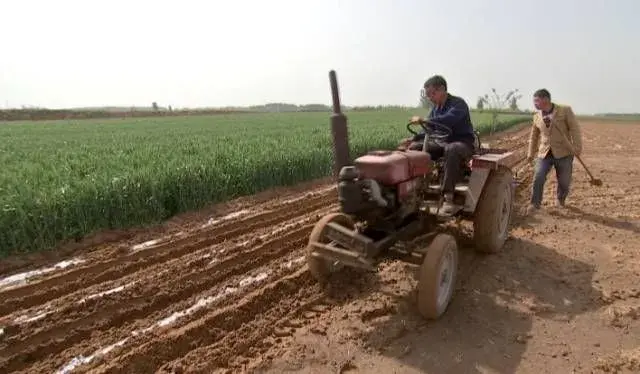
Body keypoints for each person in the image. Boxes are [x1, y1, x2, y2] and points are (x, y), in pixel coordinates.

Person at [407, 75, 476, 215]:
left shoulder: (458, 104)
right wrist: (413, 138)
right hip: (442, 142)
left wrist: (425, 120)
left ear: (442, 89)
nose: (429, 98)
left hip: (462, 143)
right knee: (414, 147)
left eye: (432, 94)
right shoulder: (436, 108)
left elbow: (447, 120)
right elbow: (428, 129)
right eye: (427, 95)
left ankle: (448, 197)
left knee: (452, 149)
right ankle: (413, 189)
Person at [526, 88, 583, 211]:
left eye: (537, 101)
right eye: (534, 101)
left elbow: (575, 129)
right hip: (545, 152)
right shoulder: (536, 116)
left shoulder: (565, 111)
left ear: (546, 99)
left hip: (564, 152)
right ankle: (535, 204)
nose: (534, 104)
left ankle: (560, 200)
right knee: (539, 176)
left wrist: (577, 147)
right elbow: (534, 136)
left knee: (564, 180)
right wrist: (530, 153)